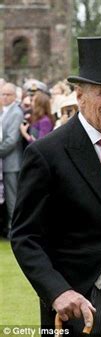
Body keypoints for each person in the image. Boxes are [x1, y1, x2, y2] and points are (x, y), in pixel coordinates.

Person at [10, 36, 101, 337]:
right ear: (80, 95)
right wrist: (57, 292)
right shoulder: (46, 153)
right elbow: (25, 236)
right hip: (74, 301)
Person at [0, 82, 24, 238]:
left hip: (11, 163)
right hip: (4, 162)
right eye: (2, 94)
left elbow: (11, 140)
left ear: (15, 96)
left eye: (8, 94)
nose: (4, 97)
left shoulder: (16, 112)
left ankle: (14, 231)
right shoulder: (4, 111)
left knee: (12, 199)